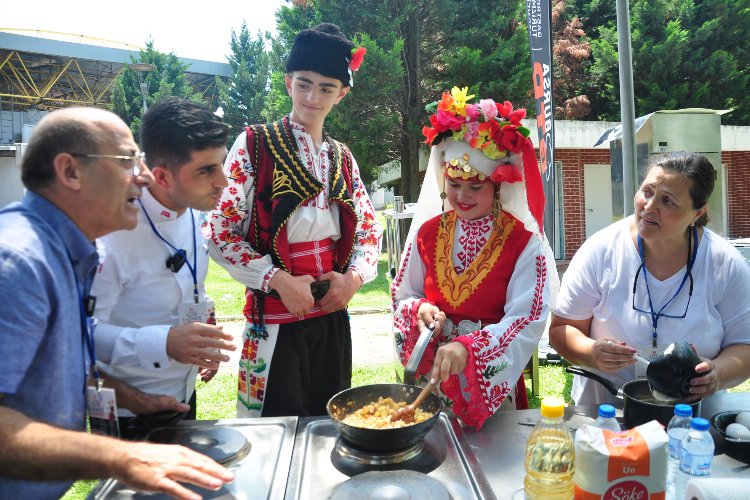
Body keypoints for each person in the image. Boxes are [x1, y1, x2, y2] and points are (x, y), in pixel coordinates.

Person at [0, 107, 233, 498]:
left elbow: (61, 359)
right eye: (128, 160)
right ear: (70, 172)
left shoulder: (64, 251)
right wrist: (122, 457)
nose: (143, 177)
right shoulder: (19, 262)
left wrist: (130, 397)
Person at [209, 22, 382, 417]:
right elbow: (219, 231)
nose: (312, 96)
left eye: (326, 88)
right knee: (273, 436)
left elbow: (369, 232)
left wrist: (353, 279)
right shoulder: (254, 143)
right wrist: (278, 280)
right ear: (288, 82)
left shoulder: (343, 156)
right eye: (304, 83)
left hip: (333, 318)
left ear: (342, 94)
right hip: (274, 319)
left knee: (330, 429)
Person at [391, 88, 558, 430]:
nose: (462, 197)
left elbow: (526, 320)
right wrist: (417, 309)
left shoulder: (524, 244)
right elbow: (402, 294)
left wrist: (470, 349)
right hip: (430, 382)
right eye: (453, 184)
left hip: (486, 386)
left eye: (475, 186)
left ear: (497, 186)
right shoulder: (427, 233)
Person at [550, 152, 750, 406]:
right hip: (607, 413)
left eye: (668, 201)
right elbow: (561, 329)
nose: (650, 206)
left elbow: (744, 346)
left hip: (694, 417)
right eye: (647, 191)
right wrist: (591, 353)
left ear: (698, 213)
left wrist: (717, 374)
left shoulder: (725, 264)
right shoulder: (601, 251)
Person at [92, 97, 236, 438]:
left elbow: (183, 283)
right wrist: (165, 343)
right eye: (207, 170)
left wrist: (200, 335)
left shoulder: (194, 208)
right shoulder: (112, 233)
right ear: (161, 176)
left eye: (222, 164)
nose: (224, 181)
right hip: (129, 410)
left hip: (183, 394)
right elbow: (79, 334)